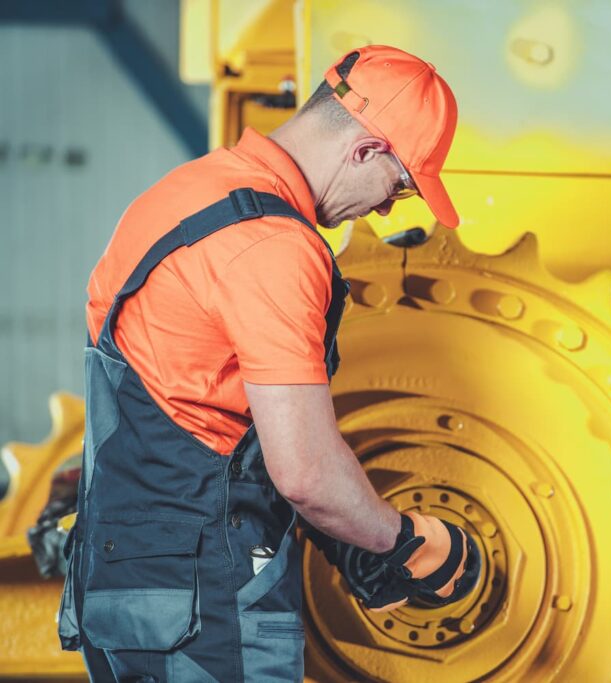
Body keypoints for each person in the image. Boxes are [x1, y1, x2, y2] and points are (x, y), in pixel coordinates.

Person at [56, 46, 477, 682]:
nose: (388, 208)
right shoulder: (274, 244)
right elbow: (304, 471)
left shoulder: (181, 197)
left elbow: (202, 411)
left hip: (121, 584)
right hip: (208, 601)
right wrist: (400, 541)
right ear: (366, 150)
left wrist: (346, 542)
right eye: (399, 186)